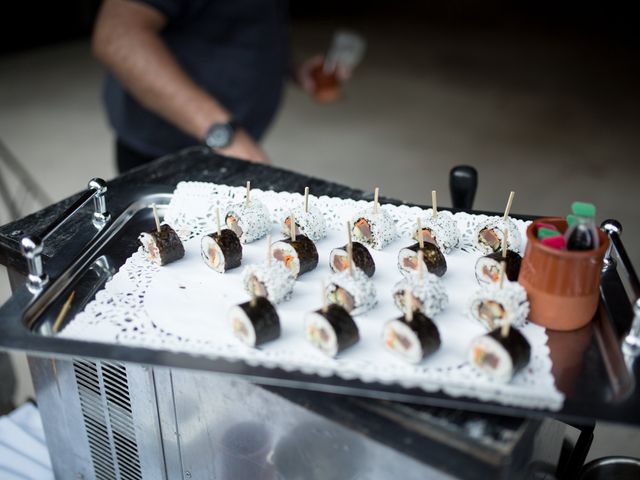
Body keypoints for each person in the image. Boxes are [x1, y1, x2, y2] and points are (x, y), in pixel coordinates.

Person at [92, 0, 348, 173]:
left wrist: (293, 67)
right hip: (168, 150)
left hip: (225, 147)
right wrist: (223, 133)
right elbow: (116, 35)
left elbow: (239, 25)